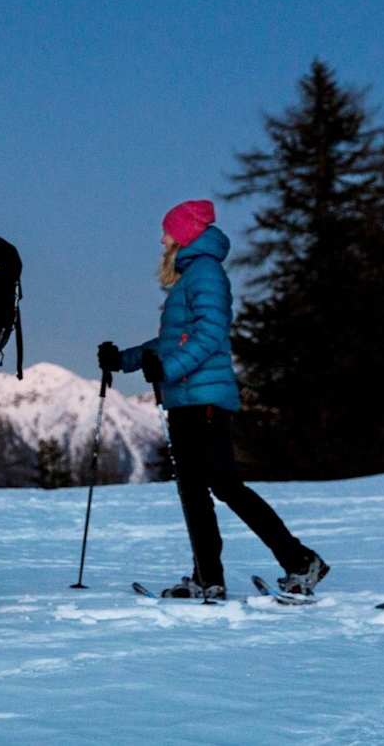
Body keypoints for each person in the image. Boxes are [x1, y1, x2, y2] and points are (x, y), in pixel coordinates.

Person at [99, 199, 328, 599]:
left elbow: (210, 335)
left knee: (223, 485)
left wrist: (167, 370)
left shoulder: (205, 273)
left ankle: (299, 561)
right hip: (188, 398)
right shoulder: (191, 276)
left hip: (202, 400)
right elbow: (171, 341)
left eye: (167, 231)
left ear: (184, 234)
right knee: (196, 489)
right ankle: (209, 575)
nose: (162, 238)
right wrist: (124, 360)